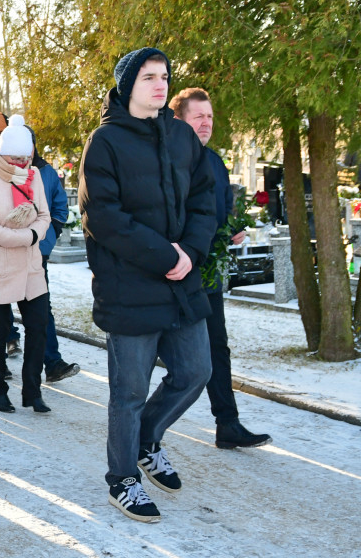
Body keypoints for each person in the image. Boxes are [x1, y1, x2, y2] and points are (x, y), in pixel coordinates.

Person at [79, 47, 215, 523]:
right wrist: (167, 256)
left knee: (195, 371)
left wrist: (190, 252)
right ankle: (122, 479)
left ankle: (146, 439)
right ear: (127, 86)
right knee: (129, 391)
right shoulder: (105, 142)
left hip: (181, 281)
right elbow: (103, 218)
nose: (160, 85)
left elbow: (204, 199)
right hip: (130, 286)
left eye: (164, 76)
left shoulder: (181, 135)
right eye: (149, 77)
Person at [171, 87, 272, 450]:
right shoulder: (165, 160)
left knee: (217, 347)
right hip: (171, 273)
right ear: (179, 120)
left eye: (210, 116)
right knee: (158, 354)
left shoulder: (215, 162)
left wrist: (232, 230)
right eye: (198, 116)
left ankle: (227, 424)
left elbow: (221, 211)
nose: (206, 123)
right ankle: (138, 429)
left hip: (207, 274)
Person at [0, 116, 51, 413]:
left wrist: (34, 234)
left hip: (30, 266)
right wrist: (24, 237)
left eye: (25, 157)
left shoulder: (34, 175)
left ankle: (33, 390)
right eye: (15, 157)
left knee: (38, 326)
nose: (21, 162)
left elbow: (44, 215)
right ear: (2, 153)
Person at [30, 127, 81, 382]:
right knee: (2, 310)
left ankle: (52, 363)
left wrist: (49, 236)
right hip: (5, 255)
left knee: (42, 309)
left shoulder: (46, 172)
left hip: (37, 253)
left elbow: (60, 208)